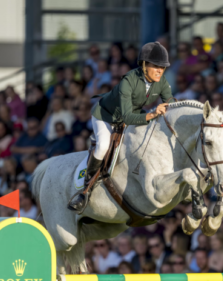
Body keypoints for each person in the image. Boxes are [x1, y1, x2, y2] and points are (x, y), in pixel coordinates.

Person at [69, 42, 173, 212]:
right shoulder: (128, 81)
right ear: (144, 65)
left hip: (133, 115)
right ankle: (86, 189)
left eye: (163, 67)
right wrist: (154, 113)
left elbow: (171, 103)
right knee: (103, 146)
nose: (160, 70)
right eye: (156, 66)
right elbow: (127, 117)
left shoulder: (161, 81)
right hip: (106, 116)